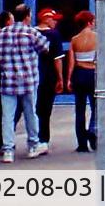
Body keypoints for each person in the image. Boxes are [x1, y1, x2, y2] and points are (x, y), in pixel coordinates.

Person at [0, 4, 52, 163]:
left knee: (7, 116)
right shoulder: (31, 32)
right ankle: (33, 145)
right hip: (28, 80)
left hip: (8, 81)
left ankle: (8, 149)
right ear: (27, 16)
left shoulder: (2, 34)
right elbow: (45, 48)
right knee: (31, 113)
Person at [35, 9, 69, 153]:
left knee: (31, 109)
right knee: (45, 110)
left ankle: (30, 138)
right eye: (53, 19)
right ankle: (43, 139)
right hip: (48, 76)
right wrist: (60, 78)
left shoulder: (31, 33)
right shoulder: (54, 35)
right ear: (45, 19)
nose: (56, 22)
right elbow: (58, 59)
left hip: (31, 76)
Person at [68, 10, 99, 153]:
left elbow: (71, 62)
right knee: (96, 106)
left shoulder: (75, 39)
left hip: (79, 73)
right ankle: (93, 130)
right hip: (93, 73)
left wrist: (68, 79)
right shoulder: (97, 38)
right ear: (89, 22)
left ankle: (81, 143)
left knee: (79, 110)